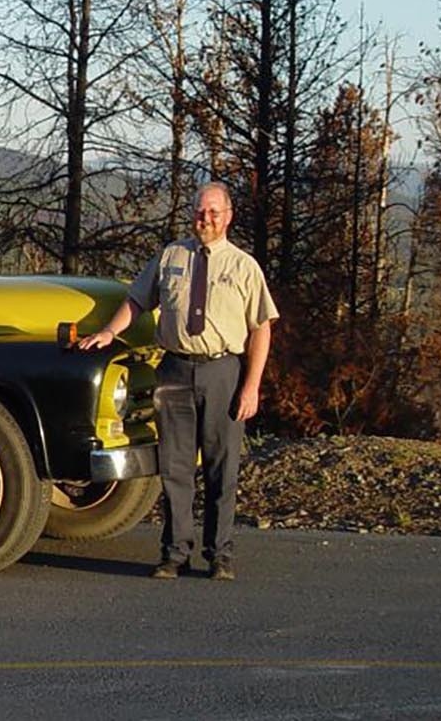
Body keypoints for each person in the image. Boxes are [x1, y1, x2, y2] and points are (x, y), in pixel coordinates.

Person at [77, 182, 277, 581]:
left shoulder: (243, 266)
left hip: (223, 371)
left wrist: (251, 386)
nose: (206, 219)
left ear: (228, 216)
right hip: (174, 370)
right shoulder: (171, 256)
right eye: (200, 212)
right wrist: (109, 333)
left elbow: (261, 328)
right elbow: (138, 301)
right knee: (175, 468)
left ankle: (219, 555)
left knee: (222, 468)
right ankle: (175, 553)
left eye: (214, 213)